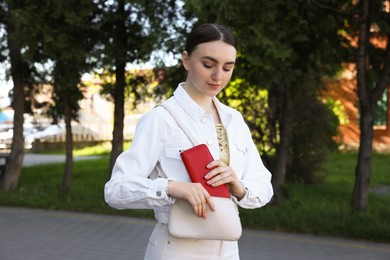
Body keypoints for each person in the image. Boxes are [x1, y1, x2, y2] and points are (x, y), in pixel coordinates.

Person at [104, 23, 274, 260]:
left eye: (227, 68)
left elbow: (264, 186)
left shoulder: (233, 120)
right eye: (208, 64)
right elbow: (115, 191)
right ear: (186, 60)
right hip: (177, 249)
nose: (218, 76)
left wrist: (239, 186)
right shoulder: (161, 119)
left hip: (228, 249)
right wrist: (171, 187)